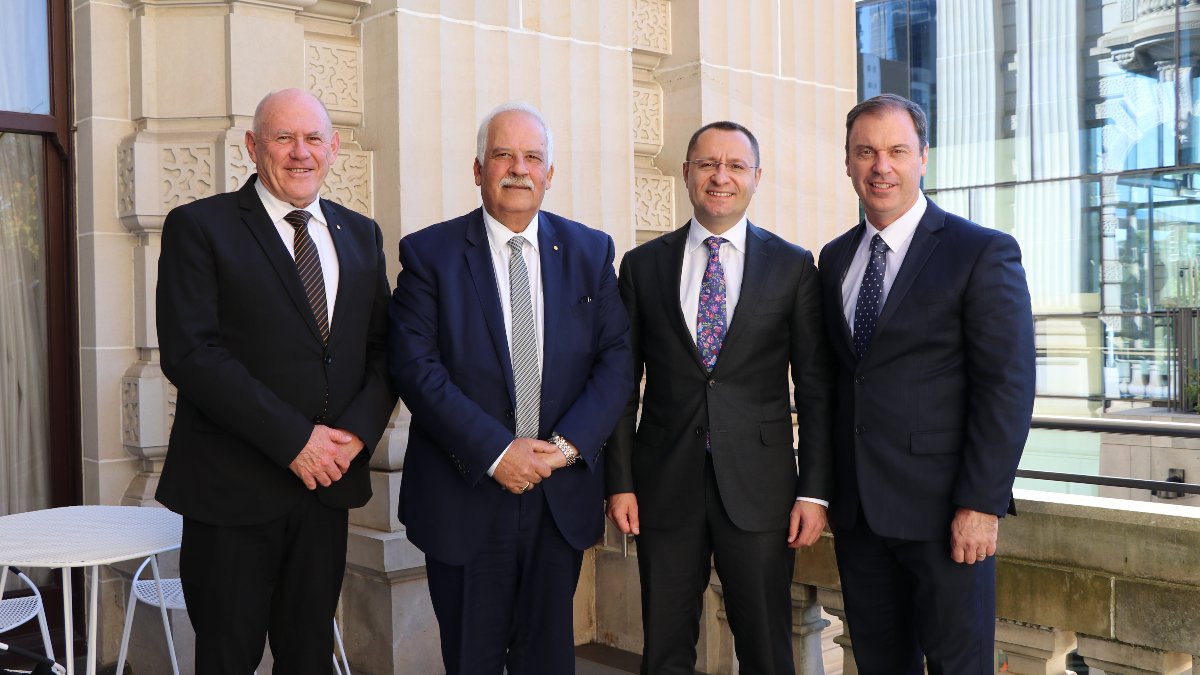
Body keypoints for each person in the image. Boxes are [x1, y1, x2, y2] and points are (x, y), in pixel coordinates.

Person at [155, 88, 396, 674]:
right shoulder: (199, 227)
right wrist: (296, 441)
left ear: (333, 148)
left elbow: (384, 350)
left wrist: (356, 437)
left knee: (307, 653)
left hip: (326, 490)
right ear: (252, 147)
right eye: (282, 138)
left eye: (313, 138)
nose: (299, 153)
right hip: (230, 495)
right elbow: (192, 354)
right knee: (228, 657)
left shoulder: (361, 234)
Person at [388, 102, 632, 675]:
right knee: (471, 658)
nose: (518, 168)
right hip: (465, 490)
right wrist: (497, 452)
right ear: (478, 170)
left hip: (558, 491)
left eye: (532, 157)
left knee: (547, 659)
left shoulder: (590, 250)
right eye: (503, 154)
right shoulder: (429, 254)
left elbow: (617, 359)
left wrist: (568, 446)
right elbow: (415, 367)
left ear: (550, 173)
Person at [606, 121, 834, 675]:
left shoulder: (792, 265)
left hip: (761, 488)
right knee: (664, 647)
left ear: (756, 178)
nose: (721, 177)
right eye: (708, 164)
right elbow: (619, 386)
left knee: (766, 648)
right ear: (686, 173)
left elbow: (816, 389)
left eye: (735, 166)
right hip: (663, 486)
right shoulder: (642, 266)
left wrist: (816, 492)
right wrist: (620, 481)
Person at [819, 93, 1036, 674]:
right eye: (865, 152)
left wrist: (981, 504)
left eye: (896, 151)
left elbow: (1007, 388)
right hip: (861, 515)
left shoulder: (981, 251)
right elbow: (842, 383)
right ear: (847, 161)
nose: (880, 166)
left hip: (946, 518)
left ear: (923, 158)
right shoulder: (835, 258)